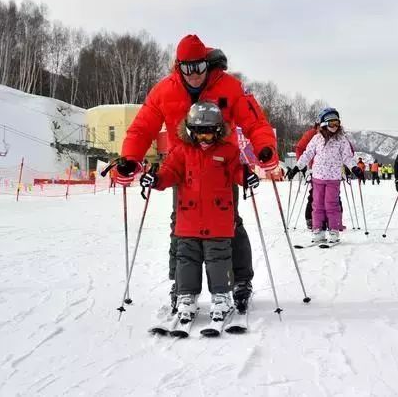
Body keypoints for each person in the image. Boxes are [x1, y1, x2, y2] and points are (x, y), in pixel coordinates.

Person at [115, 34, 278, 313]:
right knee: (180, 226)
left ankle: (240, 280)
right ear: (178, 67)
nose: (194, 75)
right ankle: (181, 285)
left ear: (207, 64)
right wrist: (130, 158)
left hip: (221, 167)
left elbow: (255, 121)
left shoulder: (229, 86)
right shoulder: (163, 91)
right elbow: (142, 128)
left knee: (230, 223)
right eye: (188, 69)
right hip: (183, 167)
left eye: (200, 67)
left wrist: (264, 148)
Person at [140, 102, 260, 321]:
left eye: (209, 135)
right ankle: (186, 296)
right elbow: (169, 172)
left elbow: (237, 172)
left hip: (218, 219)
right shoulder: (182, 152)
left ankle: (221, 296)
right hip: (188, 220)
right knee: (186, 258)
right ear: (190, 131)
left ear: (218, 131)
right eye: (198, 134)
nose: (204, 140)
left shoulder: (227, 151)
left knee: (219, 259)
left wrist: (247, 177)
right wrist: (156, 179)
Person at [288, 108, 362, 243]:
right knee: (317, 204)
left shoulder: (341, 140)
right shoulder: (316, 138)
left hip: (333, 178)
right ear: (323, 124)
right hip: (317, 178)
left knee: (331, 204)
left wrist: (355, 168)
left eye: (337, 123)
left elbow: (347, 157)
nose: (335, 126)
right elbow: (307, 154)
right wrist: (297, 168)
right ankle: (318, 230)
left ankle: (333, 229)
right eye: (331, 123)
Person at [295, 122, 320, 229]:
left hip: (331, 171)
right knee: (315, 194)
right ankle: (310, 219)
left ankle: (333, 221)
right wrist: (302, 165)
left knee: (333, 197)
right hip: (314, 169)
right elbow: (300, 148)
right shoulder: (311, 134)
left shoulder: (335, 134)